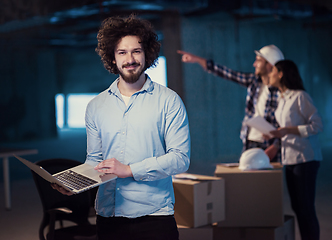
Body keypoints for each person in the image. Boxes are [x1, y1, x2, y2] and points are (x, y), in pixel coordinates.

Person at [53, 15, 190, 240]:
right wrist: (76, 184)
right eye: (122, 52)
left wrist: (129, 169)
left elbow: (180, 158)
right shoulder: (96, 106)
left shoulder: (169, 101)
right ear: (113, 58)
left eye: (136, 51)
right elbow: (95, 161)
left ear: (147, 53)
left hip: (154, 216)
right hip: (109, 216)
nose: (130, 59)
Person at [177, 45, 284, 162]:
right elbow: (227, 73)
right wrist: (197, 60)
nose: (254, 64)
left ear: (269, 65)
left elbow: (287, 123)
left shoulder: (282, 92)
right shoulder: (254, 82)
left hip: (270, 145)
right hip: (250, 141)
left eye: (258, 61)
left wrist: (276, 145)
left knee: (270, 179)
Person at [267, 59, 323, 240]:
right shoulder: (282, 99)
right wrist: (275, 137)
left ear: (281, 73)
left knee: (306, 208)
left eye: (273, 71)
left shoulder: (300, 97)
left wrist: (287, 131)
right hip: (289, 158)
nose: (270, 75)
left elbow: (317, 125)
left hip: (305, 159)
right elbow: (284, 130)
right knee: (298, 207)